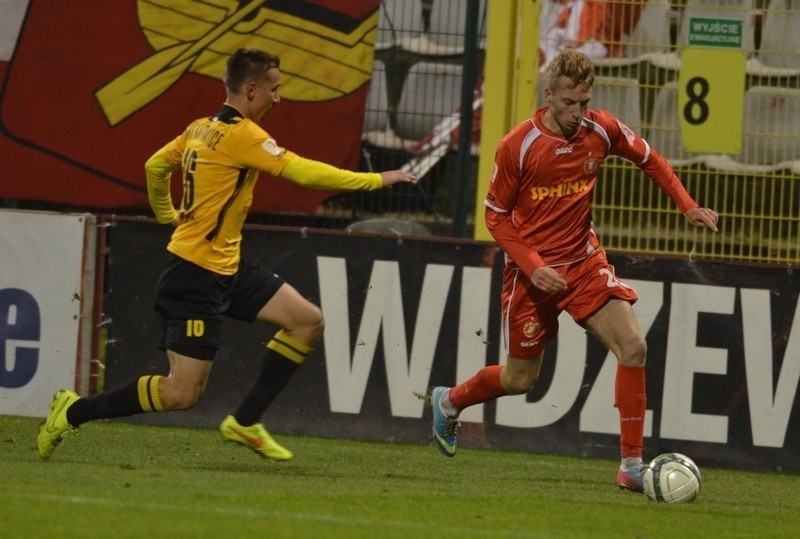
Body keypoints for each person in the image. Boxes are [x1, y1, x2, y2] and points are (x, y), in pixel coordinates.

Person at [37, 47, 415, 461]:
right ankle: (73, 411)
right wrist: (376, 179)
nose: (278, 98)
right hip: (195, 275)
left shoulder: (199, 128)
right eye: (274, 90)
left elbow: (154, 167)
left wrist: (169, 214)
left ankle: (245, 421)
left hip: (225, 267)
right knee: (181, 394)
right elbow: (303, 172)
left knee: (307, 322)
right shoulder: (243, 135)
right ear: (251, 90)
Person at [428, 49, 719, 492]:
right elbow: (496, 217)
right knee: (519, 379)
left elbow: (649, 158)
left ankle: (631, 466)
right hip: (532, 277)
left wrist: (688, 204)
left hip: (584, 264)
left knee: (634, 347)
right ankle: (449, 401)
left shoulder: (600, 129)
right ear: (549, 96)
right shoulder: (518, 146)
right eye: (568, 103)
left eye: (584, 102)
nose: (577, 113)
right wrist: (533, 265)